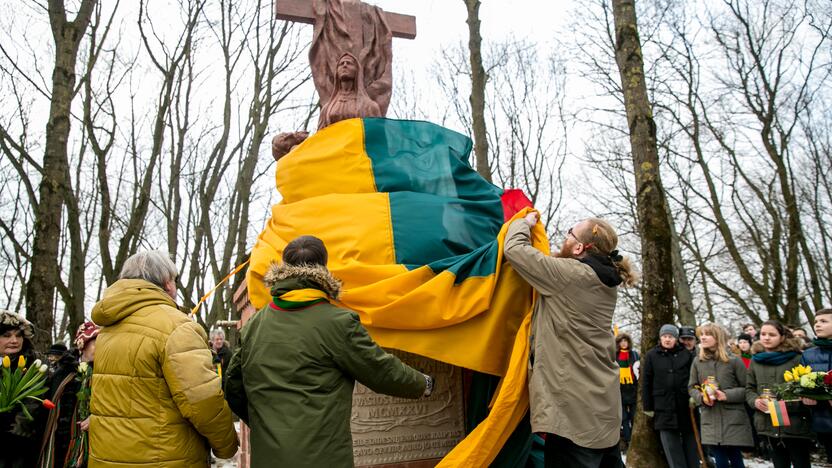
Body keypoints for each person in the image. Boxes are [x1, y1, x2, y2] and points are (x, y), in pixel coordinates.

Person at [224, 236, 432, 467]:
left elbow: (233, 386)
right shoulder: (337, 323)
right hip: (323, 458)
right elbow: (381, 370)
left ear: (284, 267)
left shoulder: (255, 325)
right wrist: (422, 384)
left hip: (269, 458)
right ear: (323, 267)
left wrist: (268, 425)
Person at [504, 213, 638, 468]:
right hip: (602, 409)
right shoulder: (605, 280)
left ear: (579, 247)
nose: (565, 237)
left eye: (570, 233)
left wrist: (522, 223)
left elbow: (515, 250)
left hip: (574, 417)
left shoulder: (572, 275)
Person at [89, 250, 239, 467]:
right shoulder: (176, 327)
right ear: (167, 283)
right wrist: (226, 445)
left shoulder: (108, 330)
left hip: (108, 457)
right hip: (163, 458)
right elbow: (202, 400)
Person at [746, 320, 812, 468]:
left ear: (782, 337)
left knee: (801, 463)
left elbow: (807, 388)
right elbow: (749, 389)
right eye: (763, 334)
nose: (766, 338)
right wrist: (755, 401)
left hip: (795, 424)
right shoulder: (755, 361)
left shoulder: (796, 358)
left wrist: (786, 403)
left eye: (772, 334)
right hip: (768, 424)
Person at [688, 323, 753, 467]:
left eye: (707, 334)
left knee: (735, 458)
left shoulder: (734, 361)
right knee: (720, 459)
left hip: (733, 418)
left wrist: (727, 395)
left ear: (718, 338)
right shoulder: (697, 361)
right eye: (701, 334)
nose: (702, 337)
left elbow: (748, 388)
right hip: (710, 417)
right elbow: (692, 387)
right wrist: (702, 397)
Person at [40, 321, 99, 468]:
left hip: (89, 443)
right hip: (58, 440)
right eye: (94, 342)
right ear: (82, 344)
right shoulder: (63, 371)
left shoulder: (105, 372)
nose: (99, 347)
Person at [642, 324, 700, 468]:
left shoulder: (686, 354)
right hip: (663, 407)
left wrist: (695, 395)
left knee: (691, 446)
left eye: (671, 337)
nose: (667, 339)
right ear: (660, 338)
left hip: (685, 406)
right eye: (664, 336)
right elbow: (646, 381)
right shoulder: (651, 355)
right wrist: (648, 406)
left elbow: (695, 377)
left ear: (676, 339)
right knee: (671, 448)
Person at [0, 310, 43, 468]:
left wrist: (15, 426)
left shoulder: (32, 366)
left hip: (17, 447)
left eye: (18, 335)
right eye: (7, 335)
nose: (14, 340)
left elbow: (33, 404)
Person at [799, 308, 832, 463]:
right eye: (816, 322)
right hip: (823, 418)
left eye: (824, 321)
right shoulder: (808, 354)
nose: (817, 325)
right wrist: (806, 395)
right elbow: (802, 382)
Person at [615, 333, 639, 452]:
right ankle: (628, 440)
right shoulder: (615, 355)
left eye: (626, 341)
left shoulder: (634, 354)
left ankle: (635, 440)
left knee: (634, 417)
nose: (624, 343)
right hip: (620, 391)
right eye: (621, 341)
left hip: (633, 389)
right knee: (623, 418)